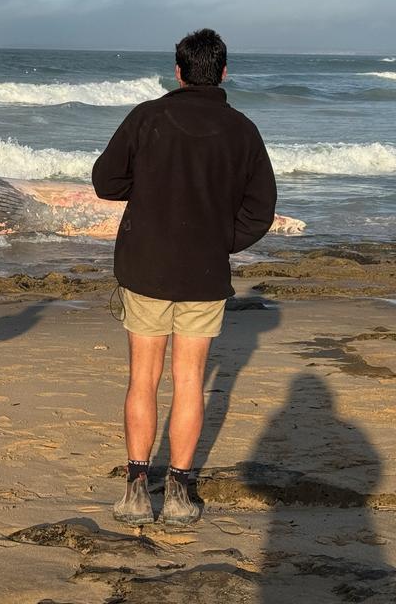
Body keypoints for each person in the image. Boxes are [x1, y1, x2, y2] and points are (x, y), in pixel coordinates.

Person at [91, 29, 276, 526]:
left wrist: (147, 189)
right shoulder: (243, 130)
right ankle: (177, 491)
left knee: (143, 379)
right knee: (190, 380)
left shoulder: (148, 116)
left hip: (146, 264)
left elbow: (106, 181)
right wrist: (219, 239)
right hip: (204, 271)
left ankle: (135, 490)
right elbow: (260, 211)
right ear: (222, 71)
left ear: (177, 71)